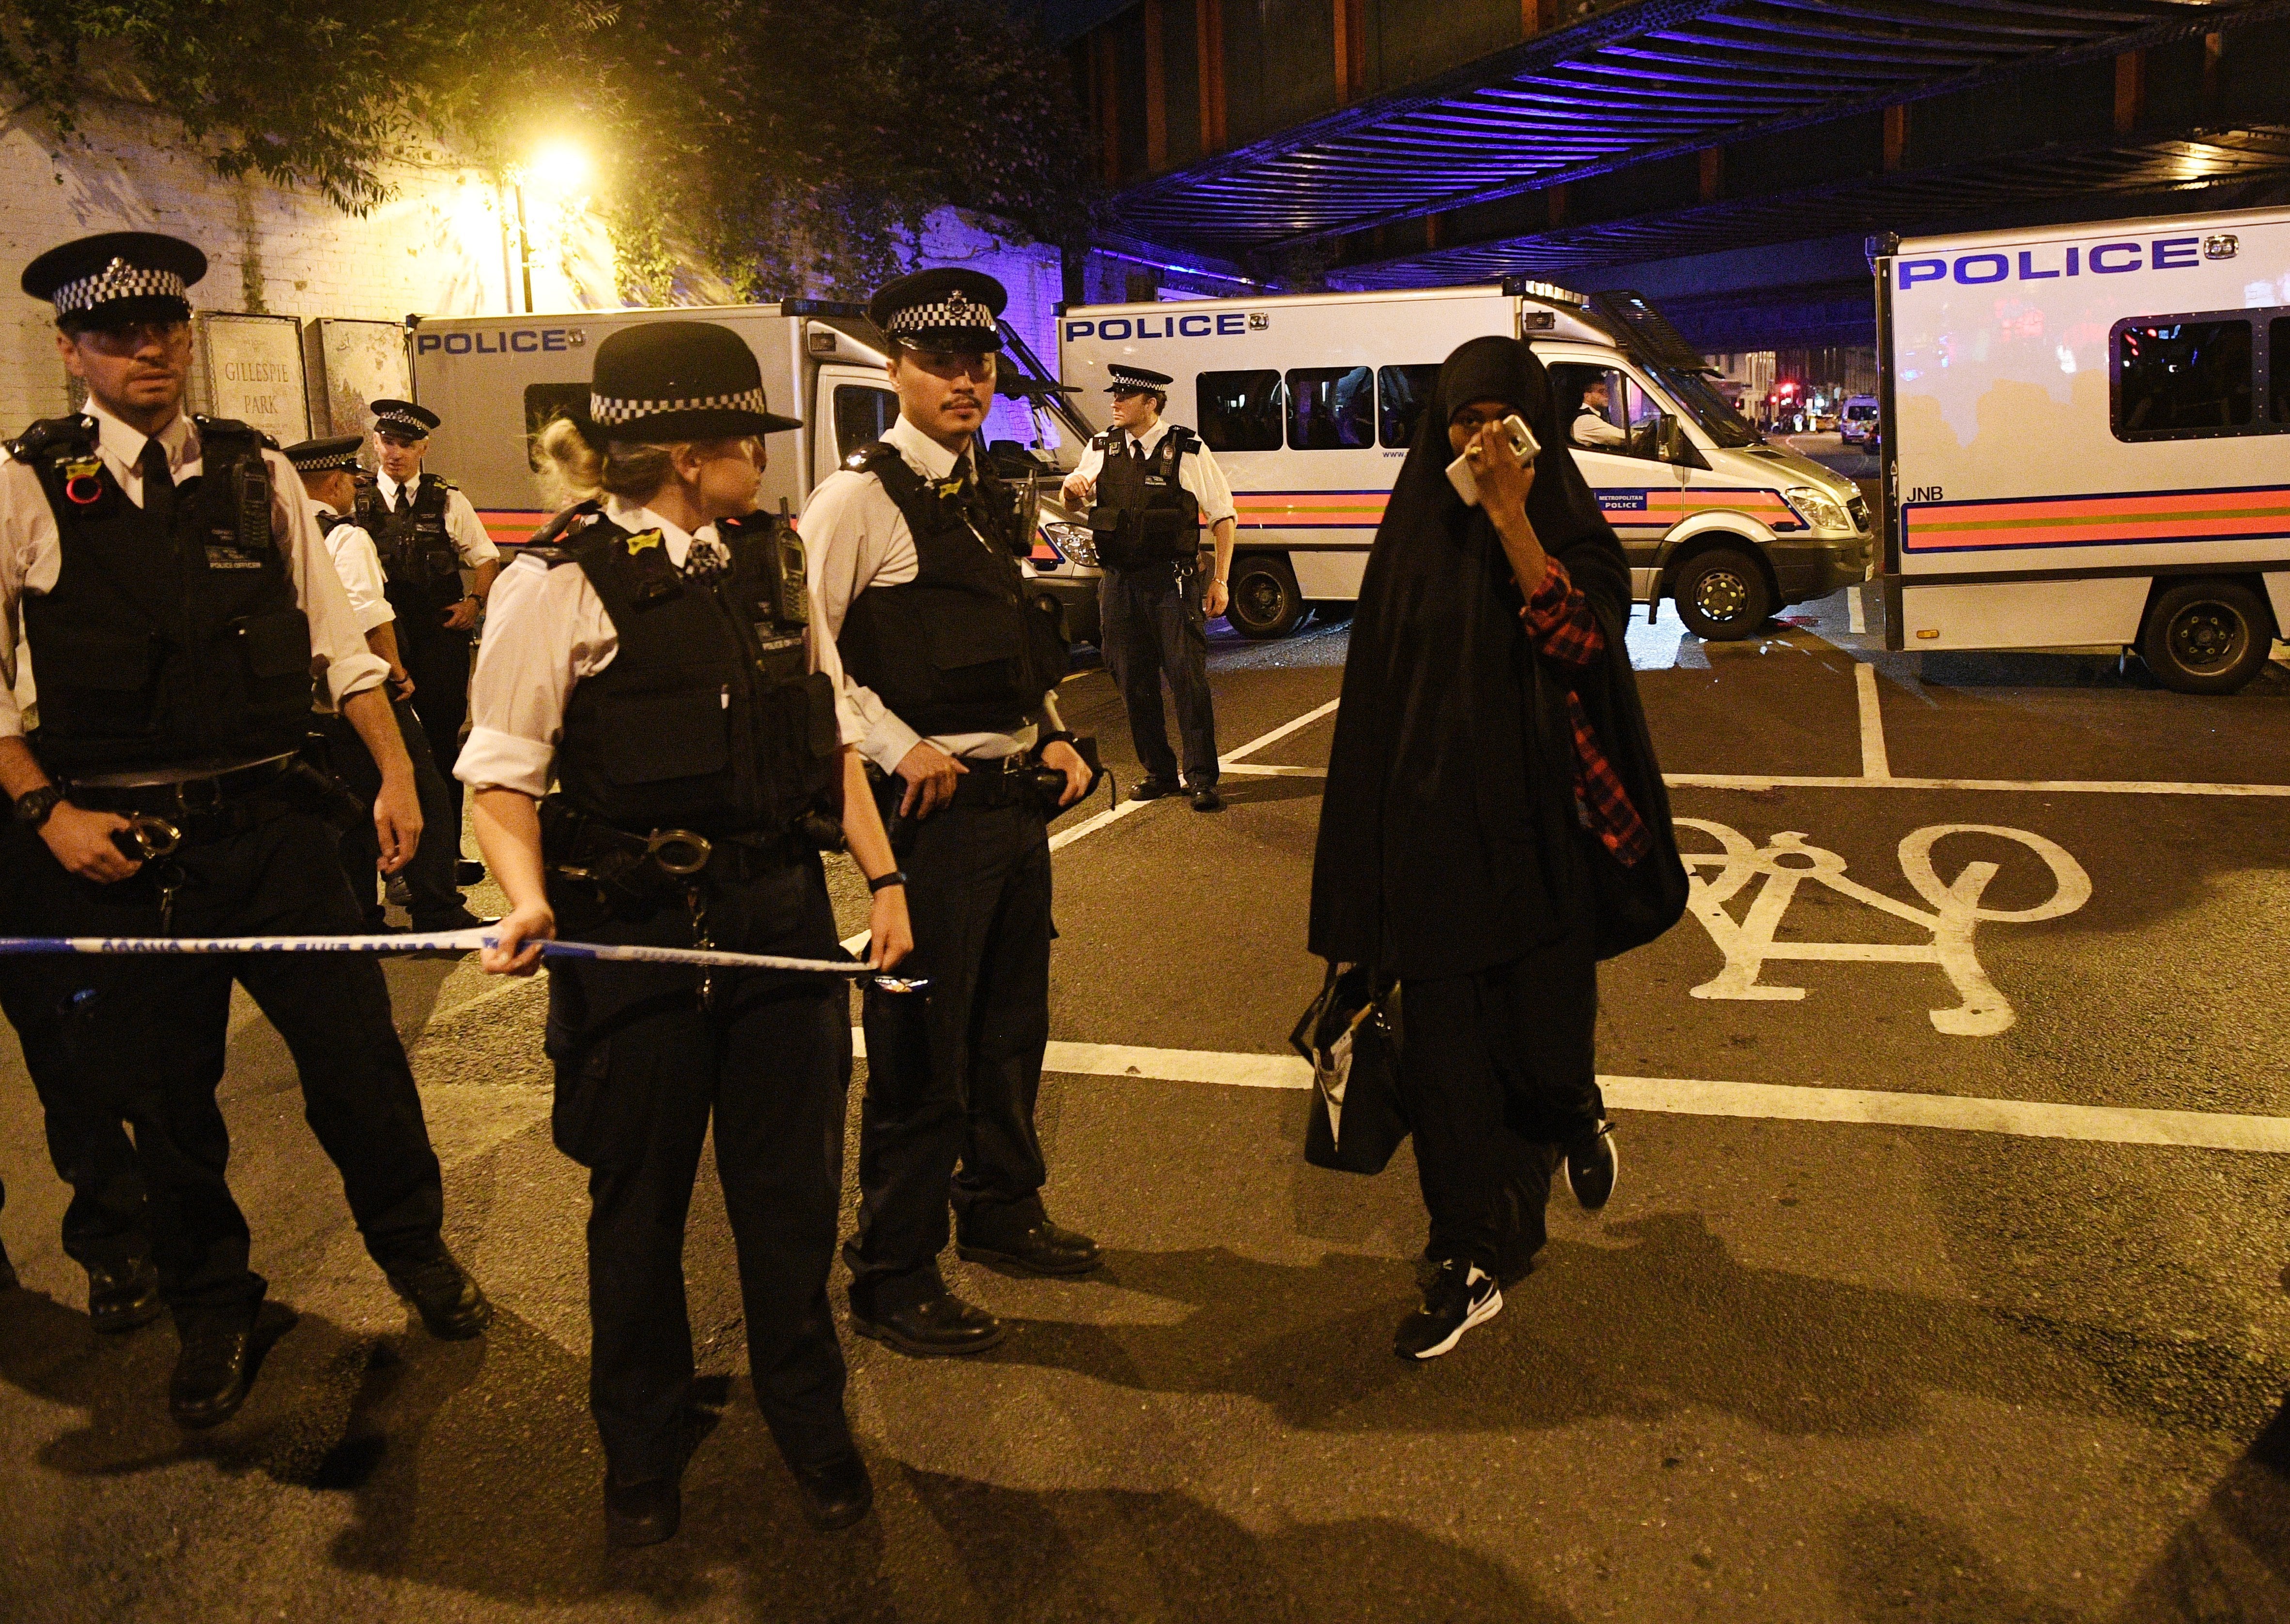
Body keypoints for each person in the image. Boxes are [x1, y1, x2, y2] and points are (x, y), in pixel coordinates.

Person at [0, 232, 491, 1429]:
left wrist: (399, 782)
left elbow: (339, 649)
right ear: (73, 353)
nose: (149, 349)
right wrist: (47, 815)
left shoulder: (254, 472)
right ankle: (213, 1303)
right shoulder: (21, 483)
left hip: (276, 829)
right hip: (125, 853)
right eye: (118, 334)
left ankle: (414, 1251)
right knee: (164, 1102)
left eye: (165, 327)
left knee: (361, 1069)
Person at [462, 320, 913, 1546]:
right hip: (637, 933)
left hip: (776, 920)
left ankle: (810, 1424)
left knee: (789, 1198)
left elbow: (829, 741)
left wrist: (880, 881)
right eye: (742, 445)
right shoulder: (552, 585)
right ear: (680, 454)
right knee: (638, 1208)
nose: (760, 467)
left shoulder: (770, 560)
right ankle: (642, 1452)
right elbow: (500, 782)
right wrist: (525, 896)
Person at [1310, 335, 1659, 1361]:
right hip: (1432, 852)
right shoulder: (1411, 532)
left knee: (1545, 1047)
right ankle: (1464, 1254)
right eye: (1464, 422)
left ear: (1536, 428)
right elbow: (1375, 708)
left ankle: (1573, 1106)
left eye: (1503, 422)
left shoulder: (1566, 523)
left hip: (1544, 839)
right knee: (1450, 1069)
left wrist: (1512, 517)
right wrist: (1361, 893)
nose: (1481, 441)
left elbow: (1584, 643)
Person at [803, 267, 1096, 1359]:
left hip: (1012, 800)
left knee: (1011, 1026)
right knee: (922, 1040)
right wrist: (893, 744)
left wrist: (1055, 726)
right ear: (898, 373)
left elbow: (1018, 642)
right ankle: (894, 1264)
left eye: (978, 365)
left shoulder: (981, 491)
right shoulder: (856, 500)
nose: (965, 382)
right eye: (941, 365)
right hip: (934, 814)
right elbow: (812, 661)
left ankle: (1004, 1203)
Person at [286, 434, 487, 935]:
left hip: (302, 697)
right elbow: (370, 619)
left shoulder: (280, 534)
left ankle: (360, 919)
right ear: (334, 483)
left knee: (343, 804)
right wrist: (396, 673)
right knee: (425, 790)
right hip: (360, 689)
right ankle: (438, 910)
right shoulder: (342, 536)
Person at [1059, 363, 1237, 811]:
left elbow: (1223, 517)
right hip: (1119, 583)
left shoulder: (1187, 449)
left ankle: (1201, 777)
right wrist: (1073, 487)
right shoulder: (1102, 446)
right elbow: (1072, 498)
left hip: (1172, 582)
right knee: (1131, 680)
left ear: (1151, 403)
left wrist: (1220, 580)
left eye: (1125, 396)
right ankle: (1158, 771)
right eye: (1115, 394)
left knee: (1186, 679)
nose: (1114, 402)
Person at [356, 398, 498, 883]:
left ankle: (446, 855)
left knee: (441, 747)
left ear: (423, 448)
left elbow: (485, 558)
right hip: (380, 638)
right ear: (376, 443)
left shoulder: (448, 500)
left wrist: (474, 604)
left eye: (406, 444)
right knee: (383, 750)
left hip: (438, 637)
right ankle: (393, 863)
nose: (395, 453)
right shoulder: (353, 500)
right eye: (388, 442)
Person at [1570, 376, 1628, 449]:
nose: (1606, 395)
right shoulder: (1586, 420)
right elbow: (1620, 438)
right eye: (1601, 391)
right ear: (1587, 396)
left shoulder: (1592, 416)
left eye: (1607, 391)